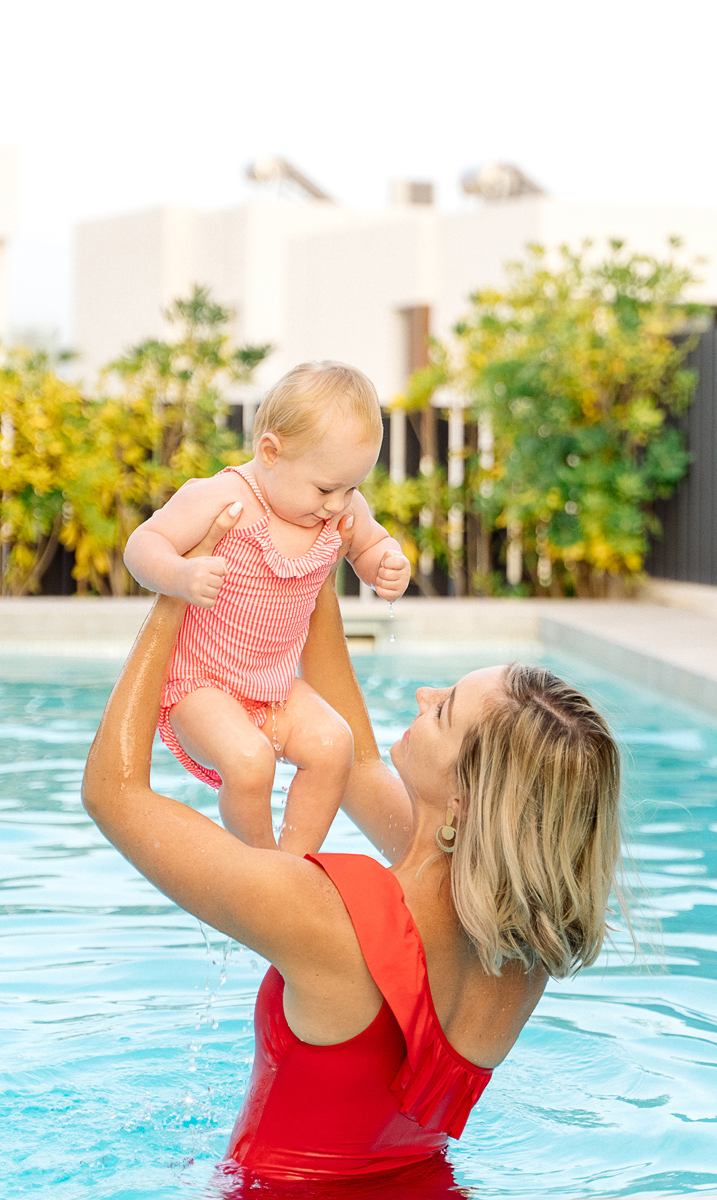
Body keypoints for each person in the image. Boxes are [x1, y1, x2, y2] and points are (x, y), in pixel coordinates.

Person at [83, 502, 623, 1197]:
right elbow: (360, 761)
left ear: (464, 800)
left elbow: (113, 793)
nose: (424, 694)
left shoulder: (329, 915)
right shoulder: (529, 940)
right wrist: (316, 549)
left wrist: (172, 595)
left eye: (443, 709)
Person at [123, 360, 411, 855]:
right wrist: (181, 575)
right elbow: (142, 545)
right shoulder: (224, 497)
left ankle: (294, 862)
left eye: (353, 488)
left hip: (273, 688)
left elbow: (370, 546)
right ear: (270, 452)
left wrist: (387, 563)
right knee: (250, 761)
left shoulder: (339, 506)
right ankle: (258, 864)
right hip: (201, 686)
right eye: (325, 489)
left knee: (334, 745)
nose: (338, 505)